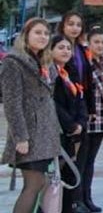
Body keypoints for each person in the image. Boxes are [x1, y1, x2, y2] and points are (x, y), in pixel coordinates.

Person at [1, 18, 61, 213]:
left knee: (40, 183)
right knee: (33, 184)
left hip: (45, 134)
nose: (42, 37)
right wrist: (21, 137)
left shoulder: (46, 63)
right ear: (26, 35)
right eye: (37, 32)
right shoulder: (13, 62)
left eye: (46, 33)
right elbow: (12, 103)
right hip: (28, 134)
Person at [57, 12, 93, 212]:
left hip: (80, 107)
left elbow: (84, 82)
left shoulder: (80, 49)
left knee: (81, 161)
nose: (74, 28)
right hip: (65, 114)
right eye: (70, 24)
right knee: (65, 165)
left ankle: (78, 200)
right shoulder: (55, 55)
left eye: (78, 24)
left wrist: (88, 111)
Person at [51, 35, 89, 213]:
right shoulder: (49, 73)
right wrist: (70, 125)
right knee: (52, 179)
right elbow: (53, 104)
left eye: (68, 48)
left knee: (70, 175)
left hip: (74, 132)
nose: (66, 51)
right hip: (57, 131)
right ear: (50, 51)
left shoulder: (70, 73)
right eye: (61, 47)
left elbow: (80, 99)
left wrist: (81, 122)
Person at [82, 27, 103, 212]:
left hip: (102, 119)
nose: (100, 46)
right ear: (88, 43)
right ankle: (78, 199)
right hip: (87, 118)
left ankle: (87, 197)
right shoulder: (83, 63)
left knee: (91, 161)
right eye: (96, 42)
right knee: (82, 161)